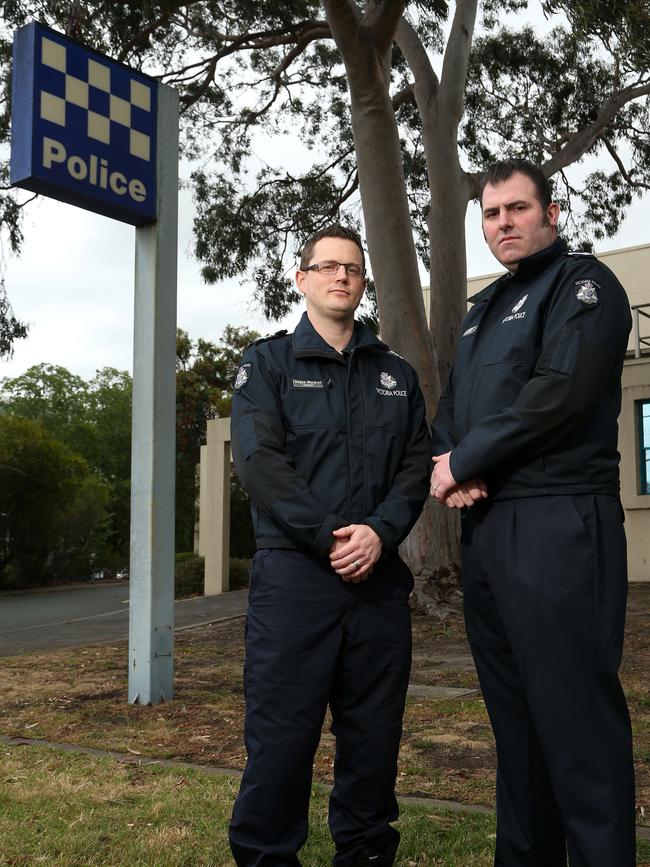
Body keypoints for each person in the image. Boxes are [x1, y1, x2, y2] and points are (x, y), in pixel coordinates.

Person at [430, 159, 636, 866]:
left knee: (576, 728)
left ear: (552, 213)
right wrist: (452, 468)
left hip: (558, 522)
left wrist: (466, 461)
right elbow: (449, 413)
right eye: (491, 214)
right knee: (514, 732)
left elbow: (558, 391)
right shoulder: (482, 310)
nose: (503, 223)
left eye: (517, 208)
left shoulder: (585, 285)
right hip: (487, 531)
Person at [229, 224, 431, 867]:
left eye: (352, 269)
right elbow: (261, 462)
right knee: (282, 740)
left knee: (373, 742)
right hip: (294, 582)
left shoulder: (396, 373)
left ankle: (367, 855)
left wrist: (379, 532)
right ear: (302, 279)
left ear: (363, 282)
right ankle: (266, 856)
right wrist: (329, 537)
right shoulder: (267, 364)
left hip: (377, 583)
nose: (341, 276)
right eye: (327, 267)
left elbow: (415, 464)